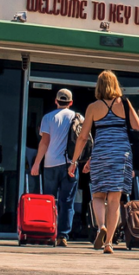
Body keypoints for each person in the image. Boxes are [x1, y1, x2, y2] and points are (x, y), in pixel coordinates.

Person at [69, 71, 139, 254]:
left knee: (98, 195)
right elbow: (138, 127)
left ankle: (101, 225)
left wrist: (74, 160)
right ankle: (109, 242)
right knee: (115, 200)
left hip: (101, 153)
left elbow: (83, 137)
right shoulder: (124, 103)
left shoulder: (93, 107)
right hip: (121, 155)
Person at [30, 89, 80, 247]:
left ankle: (48, 232)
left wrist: (37, 163)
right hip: (70, 165)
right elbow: (84, 140)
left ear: (56, 101)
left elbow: (44, 142)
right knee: (67, 202)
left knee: (48, 201)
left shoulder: (48, 118)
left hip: (50, 164)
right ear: (71, 102)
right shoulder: (79, 117)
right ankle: (63, 235)